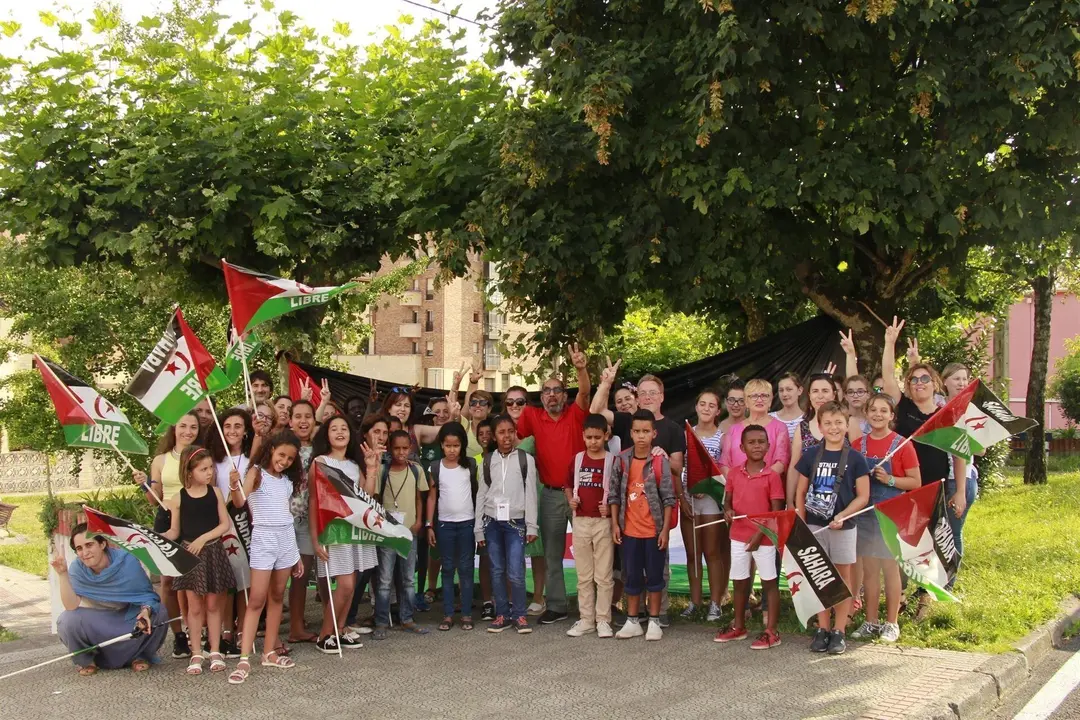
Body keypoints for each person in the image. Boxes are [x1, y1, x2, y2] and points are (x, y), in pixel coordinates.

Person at [881, 318, 967, 617]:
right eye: (914, 380)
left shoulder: (946, 413)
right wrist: (890, 343)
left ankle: (928, 597)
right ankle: (902, 594)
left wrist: (960, 491)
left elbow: (959, 453)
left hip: (938, 486)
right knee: (906, 543)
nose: (919, 384)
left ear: (935, 384)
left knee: (937, 541)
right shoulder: (902, 407)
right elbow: (888, 376)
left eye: (924, 380)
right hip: (905, 486)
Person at [592, 364, 686, 626]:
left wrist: (665, 458)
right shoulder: (626, 421)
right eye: (643, 392)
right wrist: (606, 384)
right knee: (632, 565)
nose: (647, 397)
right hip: (631, 512)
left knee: (658, 562)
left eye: (653, 392)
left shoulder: (673, 429)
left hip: (657, 511)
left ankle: (660, 612)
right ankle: (637, 613)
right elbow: (596, 411)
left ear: (662, 395)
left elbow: (678, 468)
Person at [517, 344, 591, 625]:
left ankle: (590, 608)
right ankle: (558, 606)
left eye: (556, 390)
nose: (551, 395)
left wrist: (581, 368)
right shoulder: (532, 417)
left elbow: (585, 392)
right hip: (549, 495)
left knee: (587, 553)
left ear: (565, 395)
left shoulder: (575, 413)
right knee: (551, 555)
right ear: (541, 397)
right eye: (546, 391)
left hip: (580, 494)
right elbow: (514, 438)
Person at [228, 430, 306, 684]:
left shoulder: (286, 481)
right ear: (271, 449)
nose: (284, 461)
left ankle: (269, 652)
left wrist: (296, 556)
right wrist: (234, 486)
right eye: (281, 454)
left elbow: (286, 517)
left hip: (286, 540)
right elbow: (240, 502)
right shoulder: (256, 473)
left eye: (290, 458)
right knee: (257, 599)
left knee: (276, 596)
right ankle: (243, 659)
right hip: (263, 539)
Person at [794, 402, 871, 655]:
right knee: (819, 577)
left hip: (844, 527)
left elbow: (863, 496)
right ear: (819, 426)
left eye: (839, 422)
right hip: (815, 526)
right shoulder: (810, 456)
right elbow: (800, 492)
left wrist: (843, 514)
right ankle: (822, 627)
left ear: (847, 424)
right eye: (828, 423)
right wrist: (803, 523)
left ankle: (840, 630)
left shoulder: (856, 459)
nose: (834, 427)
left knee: (842, 578)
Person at [850, 393, 921, 643]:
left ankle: (892, 623)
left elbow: (915, 482)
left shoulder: (902, 445)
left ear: (892, 416)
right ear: (866, 414)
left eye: (883, 410)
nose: (878, 414)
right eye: (873, 410)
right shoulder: (857, 445)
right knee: (869, 570)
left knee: (890, 568)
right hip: (865, 514)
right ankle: (870, 621)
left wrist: (889, 479)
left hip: (891, 514)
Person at [52, 524, 168, 676]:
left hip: (128, 620)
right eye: (79, 548)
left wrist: (145, 611)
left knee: (159, 612)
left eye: (89, 545)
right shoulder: (77, 568)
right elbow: (70, 605)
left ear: (102, 544)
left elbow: (148, 596)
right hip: (99, 623)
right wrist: (62, 574)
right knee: (67, 619)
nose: (85, 553)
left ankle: (140, 656)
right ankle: (87, 660)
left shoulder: (127, 561)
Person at [132, 410, 199, 659]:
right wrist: (144, 484)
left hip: (195, 521)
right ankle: (179, 635)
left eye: (193, 427)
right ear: (174, 428)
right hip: (167, 520)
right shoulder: (160, 460)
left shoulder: (200, 456)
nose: (188, 431)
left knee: (194, 581)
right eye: (183, 425)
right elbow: (153, 499)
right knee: (169, 583)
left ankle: (197, 633)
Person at [164, 446, 235, 675]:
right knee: (194, 607)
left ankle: (214, 650)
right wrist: (157, 537)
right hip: (190, 556)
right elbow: (175, 531)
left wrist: (203, 539)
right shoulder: (178, 499)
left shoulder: (215, 493)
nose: (209, 473)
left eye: (210, 468)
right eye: (203, 469)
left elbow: (225, 524)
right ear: (189, 471)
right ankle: (196, 653)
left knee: (214, 605)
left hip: (213, 552)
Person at [309, 416, 376, 652]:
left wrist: (371, 468)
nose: (339, 432)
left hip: (355, 528)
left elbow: (367, 497)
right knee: (345, 585)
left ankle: (339, 630)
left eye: (344, 428)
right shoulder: (320, 462)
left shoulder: (354, 465)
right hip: (333, 529)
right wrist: (316, 538)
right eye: (334, 429)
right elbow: (314, 501)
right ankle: (324, 635)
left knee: (353, 583)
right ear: (326, 435)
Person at [715, 425, 785, 649]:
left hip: (763, 537)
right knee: (740, 580)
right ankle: (738, 627)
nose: (757, 446)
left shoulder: (772, 476)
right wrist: (728, 511)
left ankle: (771, 632)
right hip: (738, 535)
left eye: (761, 442)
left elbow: (775, 511)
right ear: (742, 447)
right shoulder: (735, 473)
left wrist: (758, 535)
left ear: (768, 446)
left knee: (769, 582)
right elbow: (727, 501)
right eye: (752, 442)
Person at [608, 410, 675, 641]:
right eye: (637, 431)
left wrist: (665, 529)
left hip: (654, 532)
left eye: (646, 431)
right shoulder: (622, 460)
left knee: (655, 577)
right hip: (629, 532)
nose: (641, 436)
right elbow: (615, 495)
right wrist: (615, 524)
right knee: (632, 576)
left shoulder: (659, 462)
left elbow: (668, 498)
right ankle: (633, 620)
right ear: (631, 433)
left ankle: (655, 621)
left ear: (654, 433)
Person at [475, 415, 539, 635]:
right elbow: (481, 495)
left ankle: (519, 615)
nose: (506, 437)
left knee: (515, 571)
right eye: (501, 432)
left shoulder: (525, 459)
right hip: (491, 523)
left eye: (510, 431)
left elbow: (530, 493)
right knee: (496, 570)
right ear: (494, 435)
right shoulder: (486, 460)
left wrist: (532, 525)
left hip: (516, 524)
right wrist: (478, 528)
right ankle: (501, 614)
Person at [207, 407, 257, 658]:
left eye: (238, 426)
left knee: (244, 580)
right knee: (227, 580)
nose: (232, 431)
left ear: (246, 430)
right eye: (227, 426)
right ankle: (225, 631)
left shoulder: (251, 460)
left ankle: (241, 631)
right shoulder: (214, 462)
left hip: (248, 523)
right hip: (222, 524)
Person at [373, 430, 430, 639]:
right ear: (390, 448)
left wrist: (418, 522)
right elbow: (375, 499)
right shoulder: (382, 471)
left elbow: (419, 498)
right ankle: (381, 621)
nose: (401, 452)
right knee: (385, 579)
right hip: (388, 533)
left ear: (411, 448)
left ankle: (407, 618)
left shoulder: (416, 470)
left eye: (405, 448)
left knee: (408, 579)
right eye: (396, 448)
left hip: (408, 532)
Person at [565, 413, 615, 639]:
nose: (593, 442)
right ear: (583, 437)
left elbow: (618, 492)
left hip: (603, 522)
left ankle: (603, 619)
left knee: (603, 575)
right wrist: (571, 500)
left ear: (606, 435)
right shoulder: (577, 460)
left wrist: (611, 508)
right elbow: (568, 485)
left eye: (597, 437)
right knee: (584, 575)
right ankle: (586, 619)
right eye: (589, 437)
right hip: (581, 521)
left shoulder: (612, 461)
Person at [681, 389, 729, 622]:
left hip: (711, 501)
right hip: (690, 500)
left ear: (718, 411)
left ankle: (716, 603)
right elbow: (681, 468)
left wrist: (706, 487)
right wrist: (684, 495)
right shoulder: (686, 434)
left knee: (712, 552)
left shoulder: (723, 437)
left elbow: (723, 471)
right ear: (697, 407)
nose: (706, 408)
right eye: (703, 404)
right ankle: (695, 601)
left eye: (712, 405)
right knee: (693, 554)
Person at [427, 422, 479, 631]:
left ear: (462, 445)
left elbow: (477, 494)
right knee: (447, 569)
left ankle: (466, 613)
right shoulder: (435, 467)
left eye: (456, 445)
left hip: (467, 524)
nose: (451, 450)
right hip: (444, 525)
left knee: (466, 569)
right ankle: (448, 614)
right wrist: (430, 525)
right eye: (447, 446)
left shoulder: (470, 466)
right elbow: (432, 497)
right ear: (441, 445)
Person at [502, 385, 547, 616]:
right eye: (510, 402)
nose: (515, 406)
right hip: (507, 495)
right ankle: (513, 597)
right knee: (512, 548)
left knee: (537, 549)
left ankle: (539, 597)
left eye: (520, 402)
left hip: (534, 492)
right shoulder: (499, 428)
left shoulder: (536, 429)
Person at [941, 362, 979, 587]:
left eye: (965, 379)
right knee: (939, 531)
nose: (962, 383)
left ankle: (949, 583)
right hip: (942, 478)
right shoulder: (939, 406)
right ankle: (934, 582)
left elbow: (981, 449)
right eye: (956, 378)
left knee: (953, 532)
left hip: (961, 480)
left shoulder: (970, 412)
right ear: (944, 381)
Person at [286, 399, 319, 646]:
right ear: (290, 421)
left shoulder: (320, 449)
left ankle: (297, 626)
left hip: (309, 522)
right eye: (298, 416)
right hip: (283, 521)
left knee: (301, 576)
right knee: (276, 579)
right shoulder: (283, 447)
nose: (303, 421)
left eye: (308, 416)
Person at [416, 396, 452, 612]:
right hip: (422, 501)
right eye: (436, 411)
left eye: (445, 411)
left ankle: (442, 589)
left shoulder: (451, 440)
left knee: (444, 546)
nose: (441, 414)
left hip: (447, 501)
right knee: (425, 549)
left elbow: (459, 418)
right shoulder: (422, 438)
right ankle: (425, 589)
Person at [786, 374, 839, 507]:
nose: (820, 396)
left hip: (841, 499)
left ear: (834, 394)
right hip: (808, 500)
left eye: (825, 391)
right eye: (815, 391)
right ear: (809, 395)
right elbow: (794, 468)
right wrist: (789, 502)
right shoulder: (802, 428)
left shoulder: (849, 424)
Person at [771, 372, 805, 442]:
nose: (784, 394)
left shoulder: (808, 419)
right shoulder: (770, 418)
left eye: (789, 389)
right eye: (781, 390)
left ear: (800, 390)